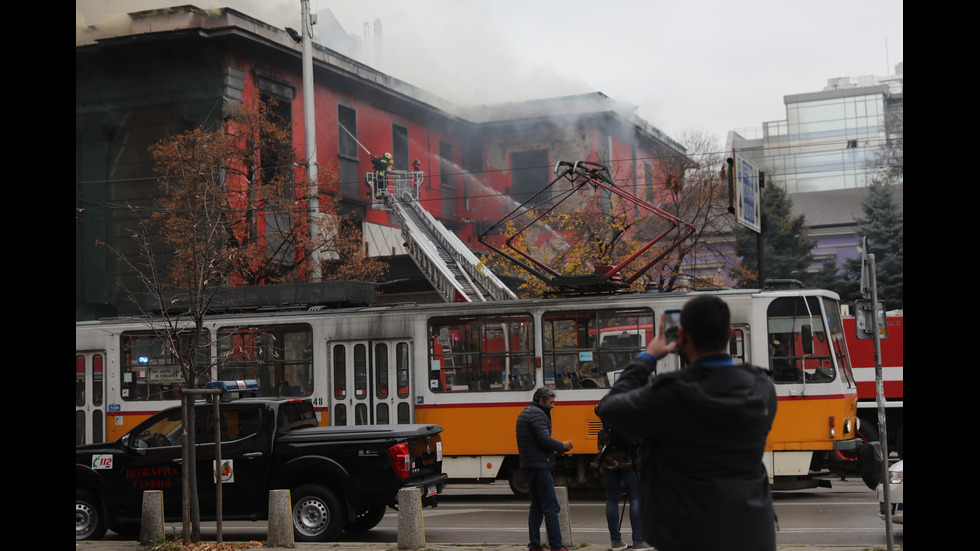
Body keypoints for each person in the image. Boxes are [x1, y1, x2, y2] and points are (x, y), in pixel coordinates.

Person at [596, 295, 778, 551]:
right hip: (752, 531)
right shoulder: (762, 387)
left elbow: (610, 408)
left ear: (681, 336)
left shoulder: (668, 394)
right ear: (729, 333)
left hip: (687, 533)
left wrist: (648, 357)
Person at [516, 387, 573, 551]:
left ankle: (534, 545)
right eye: (551, 402)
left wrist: (553, 449)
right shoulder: (537, 414)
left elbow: (536, 441)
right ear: (541, 400)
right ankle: (556, 546)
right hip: (539, 466)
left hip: (529, 464)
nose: (553, 406)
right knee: (551, 506)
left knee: (536, 507)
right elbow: (543, 437)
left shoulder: (528, 412)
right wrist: (561, 445)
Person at [594, 398, 650, 551]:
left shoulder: (603, 431)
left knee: (611, 499)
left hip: (608, 465)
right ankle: (638, 540)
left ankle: (616, 541)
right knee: (635, 498)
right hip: (628, 464)